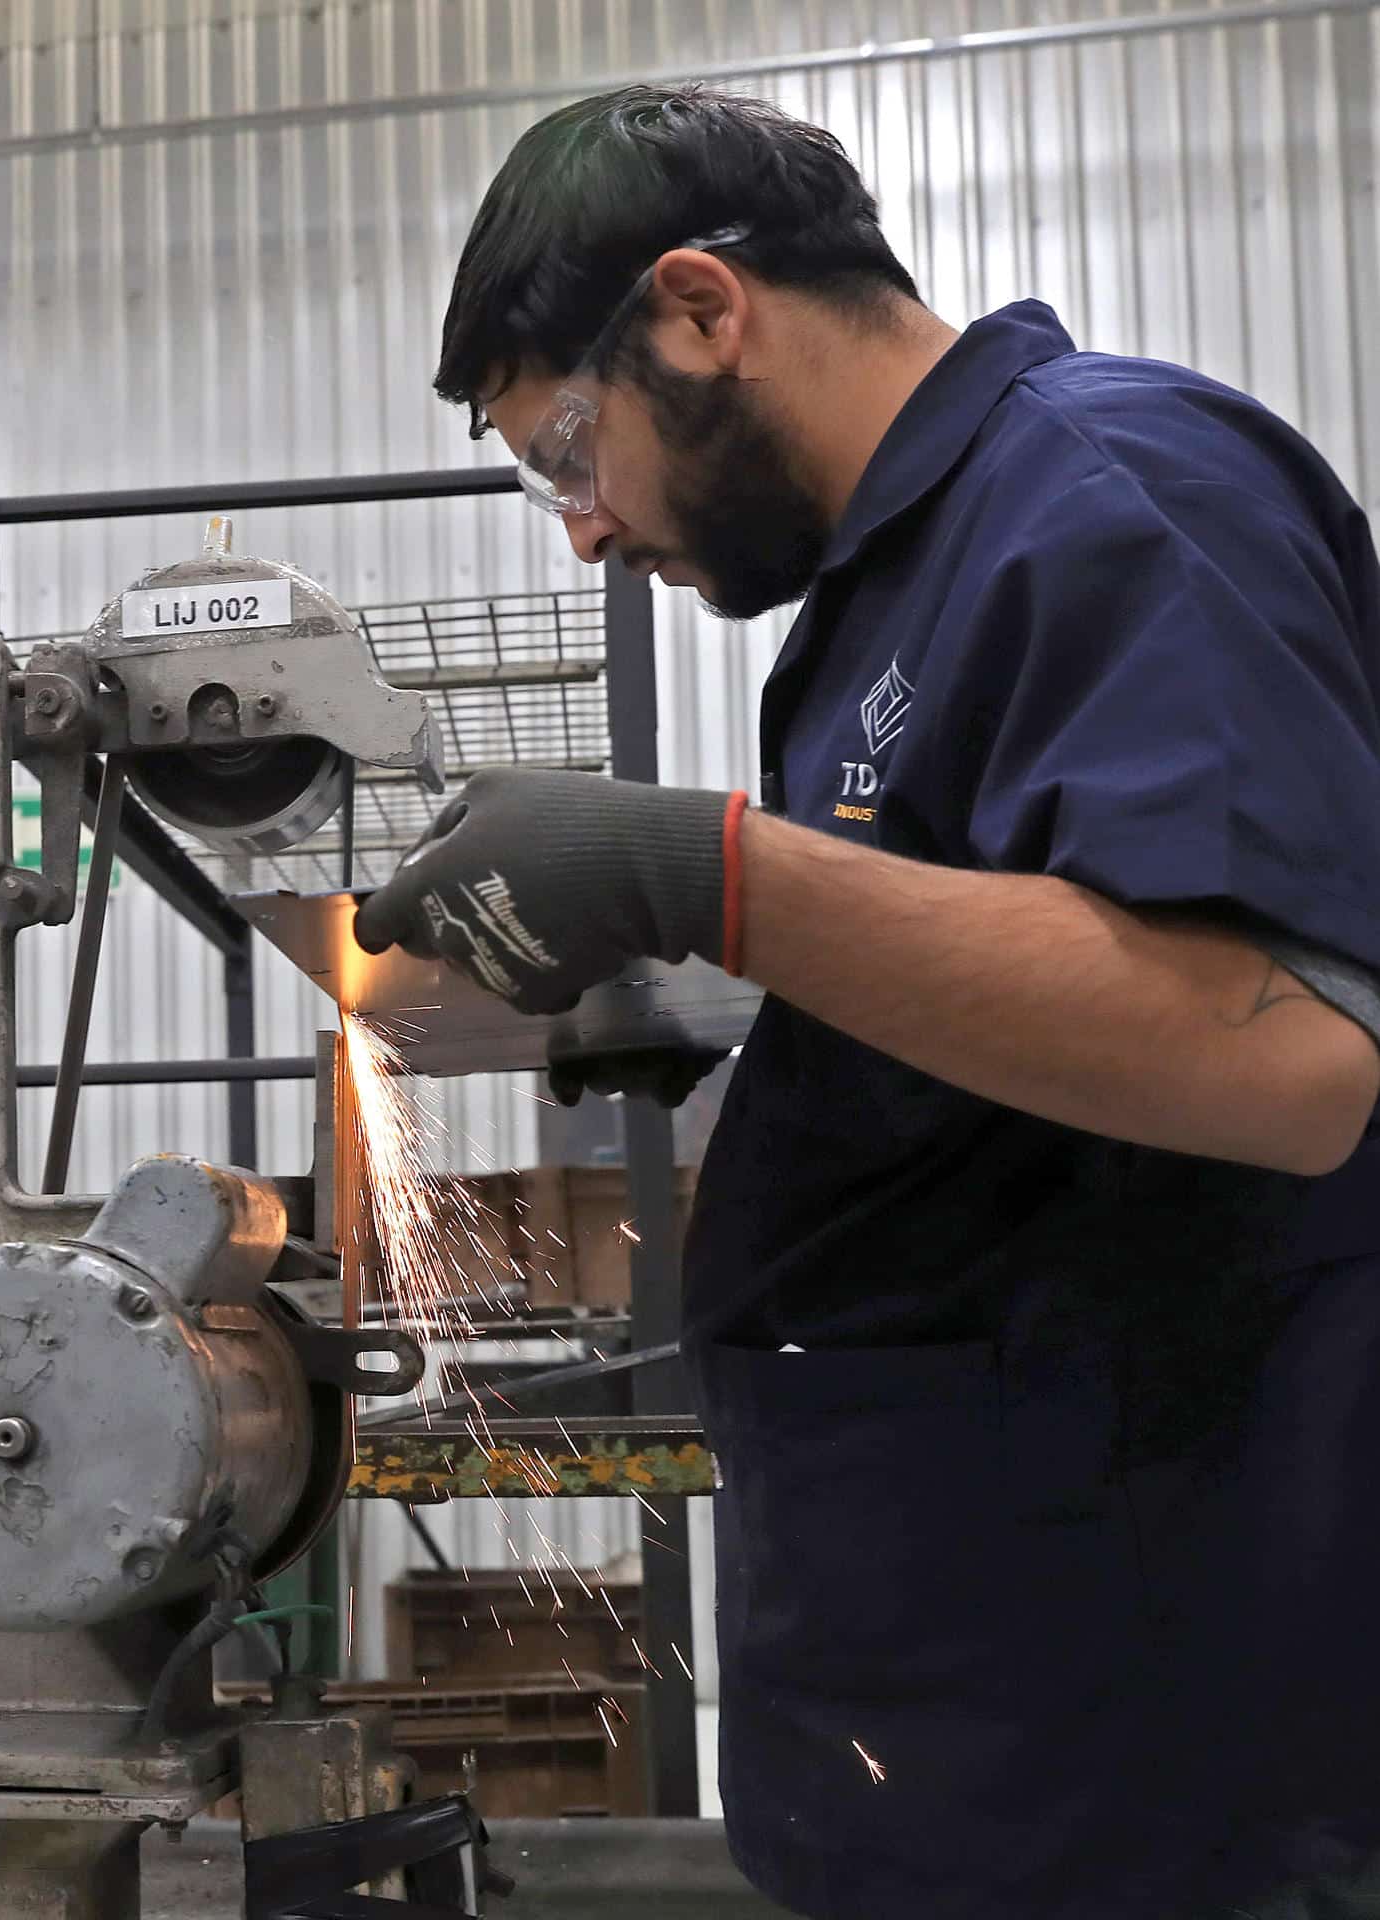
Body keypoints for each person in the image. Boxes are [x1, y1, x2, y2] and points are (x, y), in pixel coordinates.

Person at [355, 84, 1380, 1920]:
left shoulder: (1110, 490)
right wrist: (718, 999)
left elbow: (1283, 1051)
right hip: (985, 1693)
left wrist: (703, 873)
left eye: (569, 449)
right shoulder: (897, 582)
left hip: (1148, 1746)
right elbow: (1021, 979)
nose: (581, 529)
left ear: (699, 309)